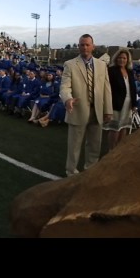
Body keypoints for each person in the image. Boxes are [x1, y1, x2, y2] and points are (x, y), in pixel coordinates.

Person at [59, 33, 113, 177]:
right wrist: (67, 99)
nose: (84, 47)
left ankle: (90, 170)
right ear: (79, 46)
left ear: (93, 46)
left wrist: (108, 110)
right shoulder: (70, 65)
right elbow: (64, 87)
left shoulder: (102, 65)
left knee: (95, 145)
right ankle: (71, 172)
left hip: (97, 111)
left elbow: (106, 88)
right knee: (74, 146)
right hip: (78, 110)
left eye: (87, 44)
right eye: (82, 44)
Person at [103, 48, 136, 151]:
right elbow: (107, 89)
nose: (122, 60)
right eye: (120, 58)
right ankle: (111, 150)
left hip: (128, 103)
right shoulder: (111, 71)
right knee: (115, 128)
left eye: (124, 58)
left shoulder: (129, 71)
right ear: (116, 59)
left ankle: (119, 150)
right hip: (116, 104)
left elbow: (133, 88)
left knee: (124, 127)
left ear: (128, 59)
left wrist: (134, 104)